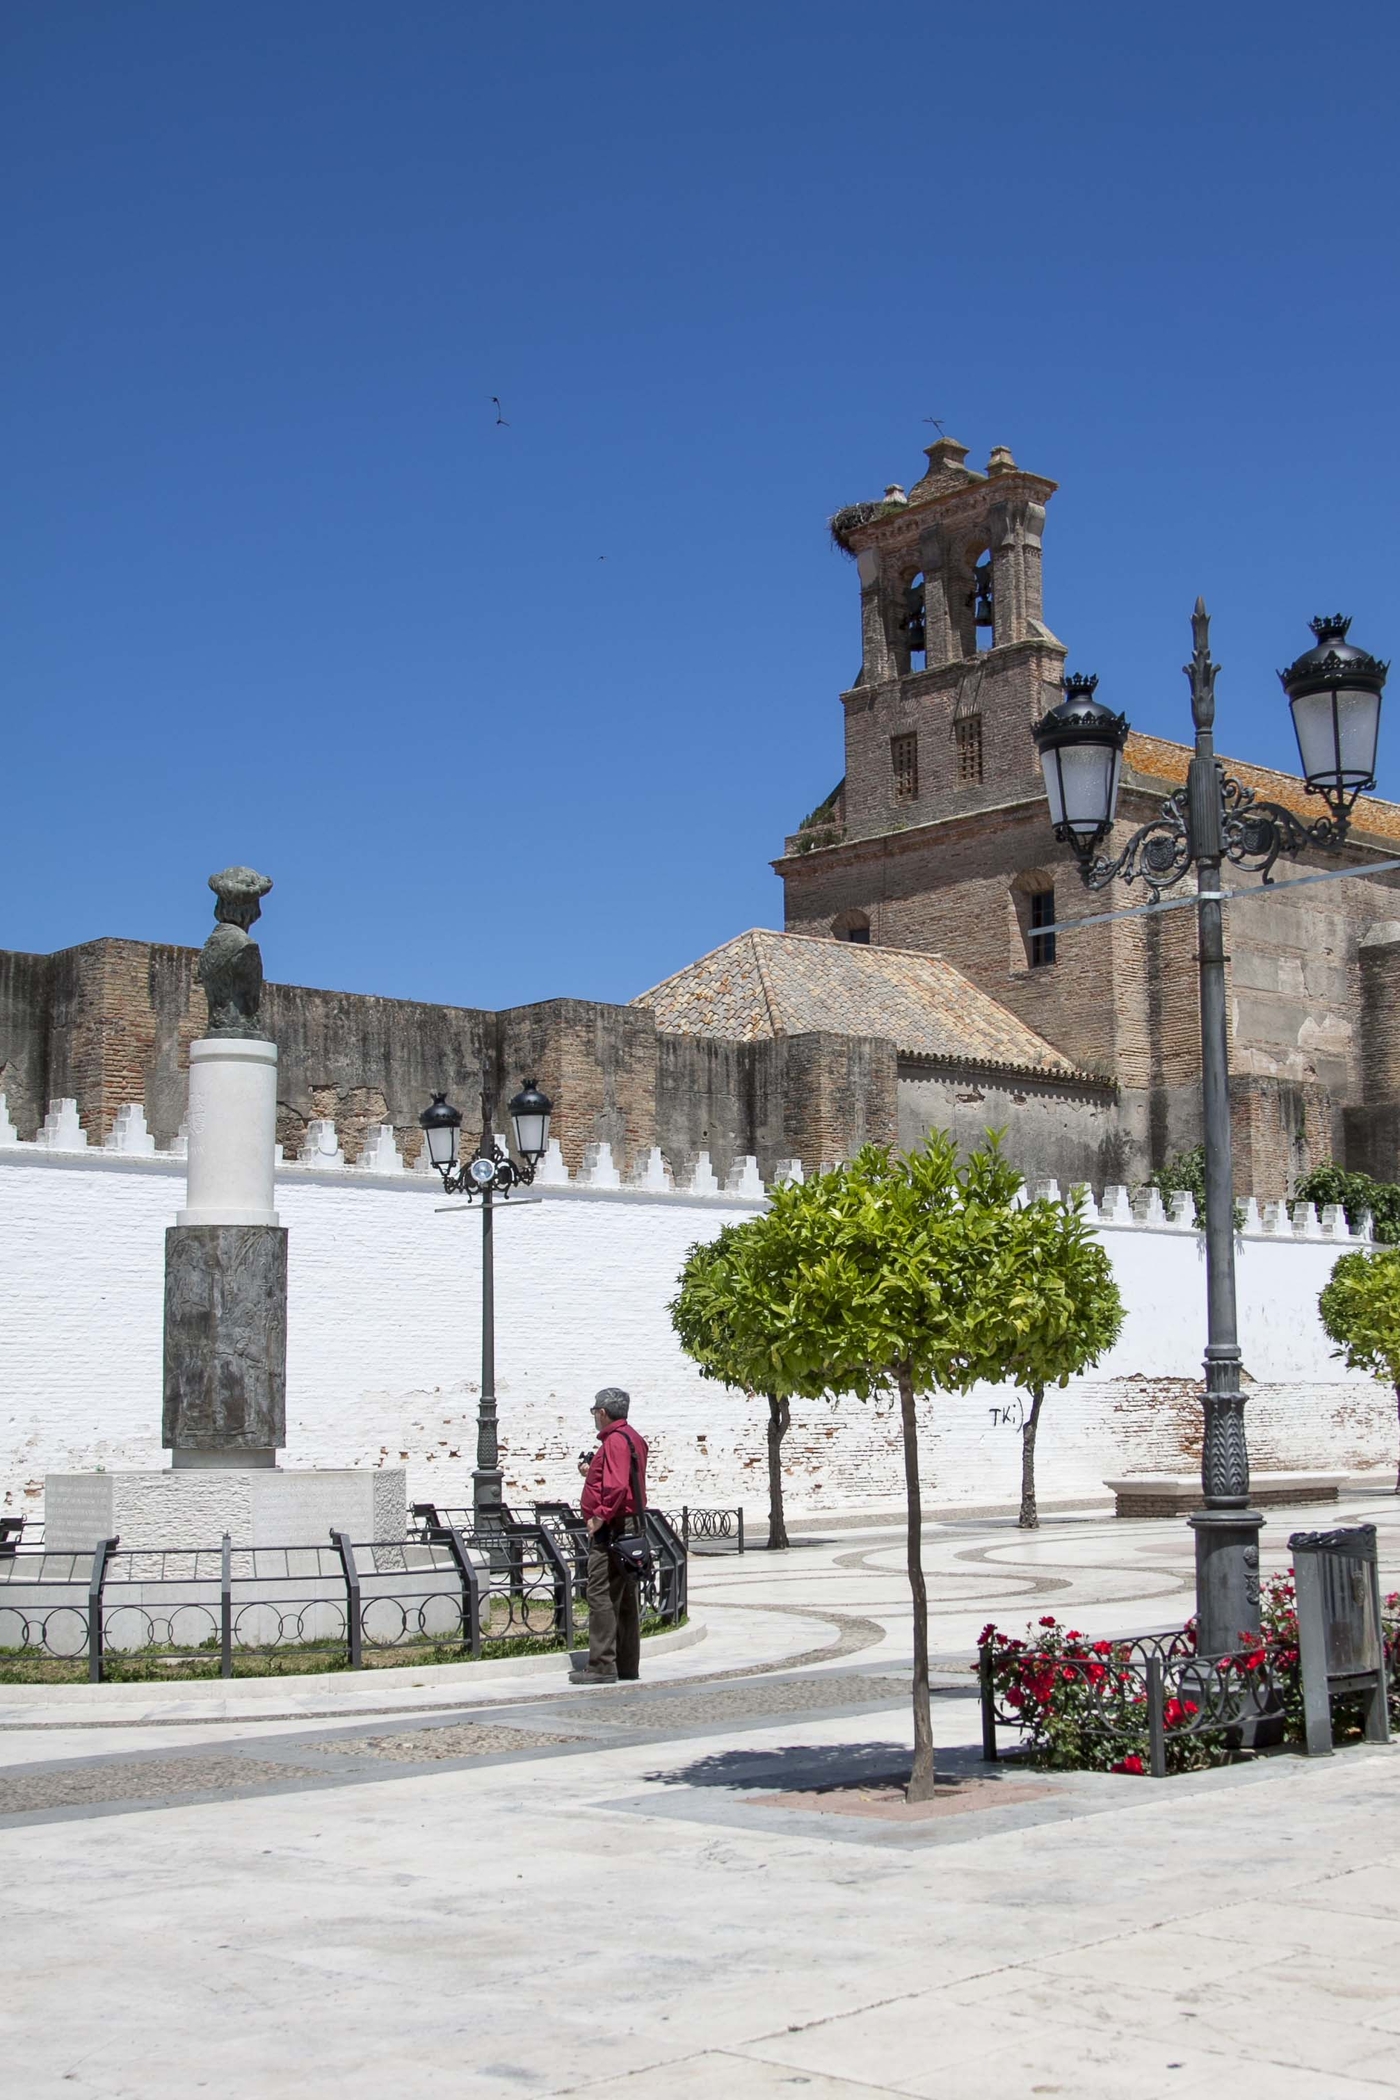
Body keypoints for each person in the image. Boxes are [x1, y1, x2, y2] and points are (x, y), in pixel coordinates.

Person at [571, 1387, 648, 1685]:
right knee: (625, 1595)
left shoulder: (614, 1440)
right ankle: (627, 1664)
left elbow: (616, 1486)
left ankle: (602, 1664)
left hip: (614, 1526)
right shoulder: (632, 1437)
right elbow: (622, 1476)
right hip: (630, 1523)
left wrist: (599, 1516)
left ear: (602, 1412)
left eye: (595, 1411)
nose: (594, 1416)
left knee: (600, 1593)